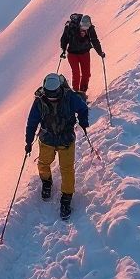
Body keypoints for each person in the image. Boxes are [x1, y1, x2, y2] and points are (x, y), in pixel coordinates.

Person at [25, 72, 89, 219]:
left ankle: (66, 197)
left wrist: (84, 121)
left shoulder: (69, 97)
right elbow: (32, 122)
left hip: (63, 139)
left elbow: (82, 108)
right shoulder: (40, 101)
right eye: (49, 94)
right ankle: (47, 182)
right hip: (49, 139)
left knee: (66, 169)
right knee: (44, 163)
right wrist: (28, 141)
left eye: (54, 94)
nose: (52, 97)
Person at [60, 13, 105, 96]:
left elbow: (94, 40)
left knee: (86, 74)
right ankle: (76, 93)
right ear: (80, 24)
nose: (84, 31)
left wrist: (100, 52)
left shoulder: (90, 28)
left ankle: (82, 92)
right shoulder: (71, 27)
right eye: (82, 28)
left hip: (85, 53)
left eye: (86, 29)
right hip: (72, 53)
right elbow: (64, 39)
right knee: (76, 73)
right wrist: (63, 50)